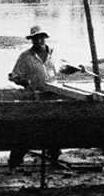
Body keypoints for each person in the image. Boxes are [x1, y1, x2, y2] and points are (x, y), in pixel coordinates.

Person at [7, 26, 64, 169]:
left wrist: (75, 69)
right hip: (34, 96)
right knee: (27, 128)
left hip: (52, 95)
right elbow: (14, 75)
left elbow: (64, 68)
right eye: (35, 38)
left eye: (41, 37)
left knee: (55, 128)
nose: (39, 40)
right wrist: (22, 81)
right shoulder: (25, 56)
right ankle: (15, 162)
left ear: (45, 38)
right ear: (31, 40)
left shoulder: (54, 53)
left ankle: (55, 160)